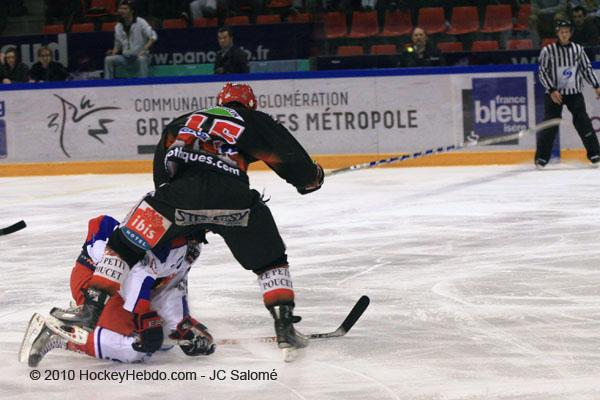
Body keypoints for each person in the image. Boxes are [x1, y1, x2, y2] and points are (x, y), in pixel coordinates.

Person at [61, 82, 323, 359]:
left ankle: (90, 310)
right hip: (235, 200)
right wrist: (311, 179)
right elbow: (291, 160)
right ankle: (285, 330)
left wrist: (183, 218)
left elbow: (163, 175)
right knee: (270, 262)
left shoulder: (182, 122)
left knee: (123, 244)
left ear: (219, 102)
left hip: (177, 198)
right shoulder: (253, 119)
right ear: (251, 105)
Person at [21, 214, 214, 366]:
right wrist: (145, 317)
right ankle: (57, 332)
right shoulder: (167, 236)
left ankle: (97, 320)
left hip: (125, 291)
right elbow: (135, 272)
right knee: (133, 349)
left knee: (163, 340)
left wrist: (181, 328)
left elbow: (171, 288)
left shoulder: (191, 244)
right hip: (96, 283)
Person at [536, 19, 600, 168]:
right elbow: (542, 72)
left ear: (570, 33)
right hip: (554, 94)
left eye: (566, 32)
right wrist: (552, 90)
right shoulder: (548, 50)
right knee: (550, 124)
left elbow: (586, 69)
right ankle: (541, 158)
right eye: (561, 32)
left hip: (574, 92)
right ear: (557, 33)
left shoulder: (578, 49)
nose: (564, 34)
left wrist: (596, 85)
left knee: (583, 122)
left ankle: (595, 154)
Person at [104, 0, 157, 80]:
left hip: (140, 57)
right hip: (126, 58)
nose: (122, 11)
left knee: (141, 59)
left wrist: (144, 50)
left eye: (125, 9)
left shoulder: (141, 22)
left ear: (132, 11)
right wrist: (113, 52)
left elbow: (153, 37)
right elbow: (118, 45)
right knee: (108, 60)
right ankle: (108, 84)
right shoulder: (118, 26)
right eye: (121, 8)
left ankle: (142, 84)